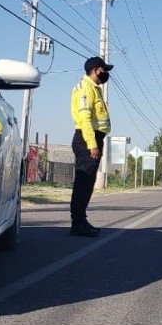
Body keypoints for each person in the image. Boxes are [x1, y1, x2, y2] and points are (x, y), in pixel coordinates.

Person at [69, 56, 113, 237]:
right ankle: (77, 223)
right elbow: (85, 119)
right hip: (88, 140)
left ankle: (81, 221)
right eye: (104, 70)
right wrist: (92, 145)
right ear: (96, 70)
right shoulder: (86, 89)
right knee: (83, 182)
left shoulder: (94, 88)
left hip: (93, 139)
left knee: (87, 183)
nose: (106, 74)